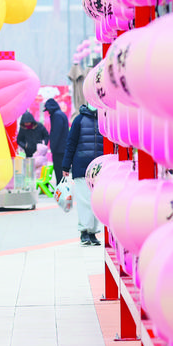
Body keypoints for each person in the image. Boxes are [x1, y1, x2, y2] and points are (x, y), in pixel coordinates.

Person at [61, 103, 103, 246]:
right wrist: (66, 165)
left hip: (99, 168)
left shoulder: (104, 119)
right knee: (85, 200)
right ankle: (84, 231)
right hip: (81, 167)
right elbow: (71, 143)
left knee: (96, 201)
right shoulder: (79, 120)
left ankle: (92, 232)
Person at [44, 98, 70, 185]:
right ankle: (61, 188)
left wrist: (53, 147)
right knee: (61, 172)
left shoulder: (57, 116)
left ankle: (60, 188)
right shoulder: (60, 114)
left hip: (59, 150)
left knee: (59, 171)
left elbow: (56, 133)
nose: (48, 112)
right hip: (63, 148)